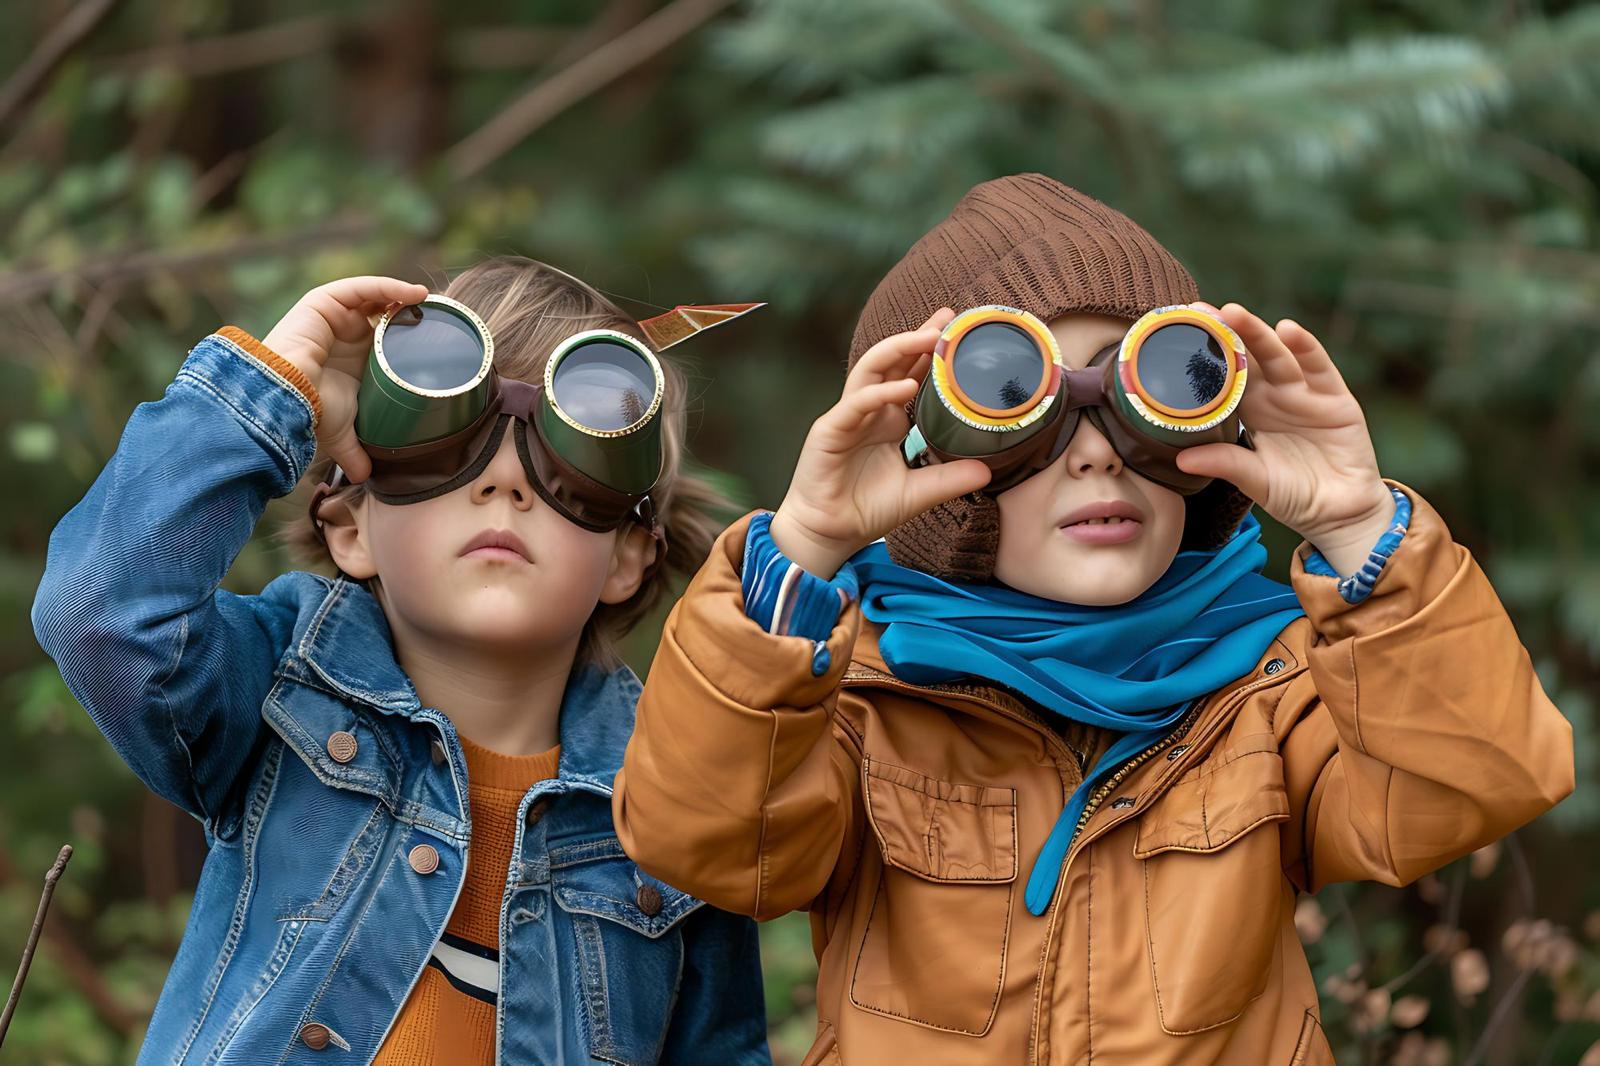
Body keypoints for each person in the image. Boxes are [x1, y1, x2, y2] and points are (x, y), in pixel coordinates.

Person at [611, 175, 1574, 1064]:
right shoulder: (860, 692)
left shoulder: (1272, 689)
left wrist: (1362, 526)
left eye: (1144, 394)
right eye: (1011, 402)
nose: (1097, 455)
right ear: (926, 450)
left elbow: (1473, 783)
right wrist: (806, 548)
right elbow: (711, 843)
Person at [32, 256, 770, 1065]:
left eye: (565, 467)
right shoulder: (280, 690)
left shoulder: (675, 805)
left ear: (628, 557)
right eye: (446, 455)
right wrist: (276, 389)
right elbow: (102, 611)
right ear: (351, 529)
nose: (504, 483)